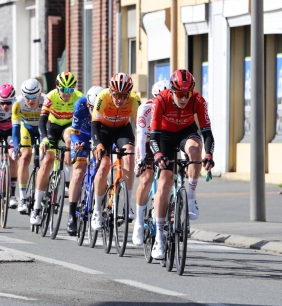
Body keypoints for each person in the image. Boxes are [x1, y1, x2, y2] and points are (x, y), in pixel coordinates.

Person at [149, 69, 215, 259]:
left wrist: (209, 155)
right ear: (172, 91)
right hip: (164, 137)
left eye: (187, 94)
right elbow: (153, 136)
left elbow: (208, 133)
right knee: (164, 182)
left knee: (196, 151)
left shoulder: (198, 100)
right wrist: (158, 155)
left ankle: (192, 198)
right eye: (179, 94)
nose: (184, 98)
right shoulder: (161, 100)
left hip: (187, 132)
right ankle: (159, 237)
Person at [29, 72, 84, 231]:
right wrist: (44, 138)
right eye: (63, 90)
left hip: (68, 126)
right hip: (51, 127)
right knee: (47, 161)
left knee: (69, 141)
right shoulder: (51, 96)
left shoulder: (78, 97)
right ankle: (37, 209)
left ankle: (67, 180)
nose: (67, 94)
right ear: (57, 88)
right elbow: (42, 120)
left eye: (70, 90)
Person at [90, 73, 141, 231]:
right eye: (117, 96)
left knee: (130, 155)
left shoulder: (134, 100)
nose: (120, 100)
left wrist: (141, 150)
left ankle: (128, 204)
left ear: (129, 94)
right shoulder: (103, 97)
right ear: (111, 92)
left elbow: (141, 126)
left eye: (123, 96)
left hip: (122, 130)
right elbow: (95, 125)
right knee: (104, 165)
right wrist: (98, 145)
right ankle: (97, 210)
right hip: (103, 131)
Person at [131, 79, 170, 246]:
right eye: (157, 100)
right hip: (147, 142)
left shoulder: (175, 108)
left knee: (168, 180)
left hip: (165, 142)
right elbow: (140, 139)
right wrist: (139, 161)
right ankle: (139, 223)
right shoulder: (145, 109)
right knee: (146, 180)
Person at [66, 85, 104, 235]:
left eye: (98, 108)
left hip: (98, 136)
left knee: (102, 171)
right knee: (78, 172)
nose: (95, 112)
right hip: (81, 135)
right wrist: (76, 144)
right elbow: (73, 131)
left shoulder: (106, 104)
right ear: (88, 104)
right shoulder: (80, 104)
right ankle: (71, 215)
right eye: (93, 108)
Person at [11, 78, 46, 213]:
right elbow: (15, 128)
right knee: (25, 156)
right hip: (27, 128)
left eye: (33, 97)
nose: (30, 100)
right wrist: (15, 147)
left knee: (46, 159)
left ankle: (44, 193)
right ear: (22, 95)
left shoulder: (46, 100)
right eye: (27, 97)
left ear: (39, 94)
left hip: (43, 129)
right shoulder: (18, 103)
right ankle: (23, 198)